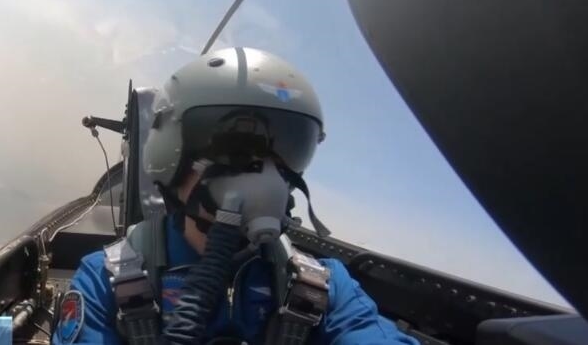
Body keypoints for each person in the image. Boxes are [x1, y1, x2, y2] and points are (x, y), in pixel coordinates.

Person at [53, 47, 419, 345]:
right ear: (171, 157)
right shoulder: (106, 278)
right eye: (234, 150)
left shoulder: (325, 285)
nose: (264, 173)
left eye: (284, 153)